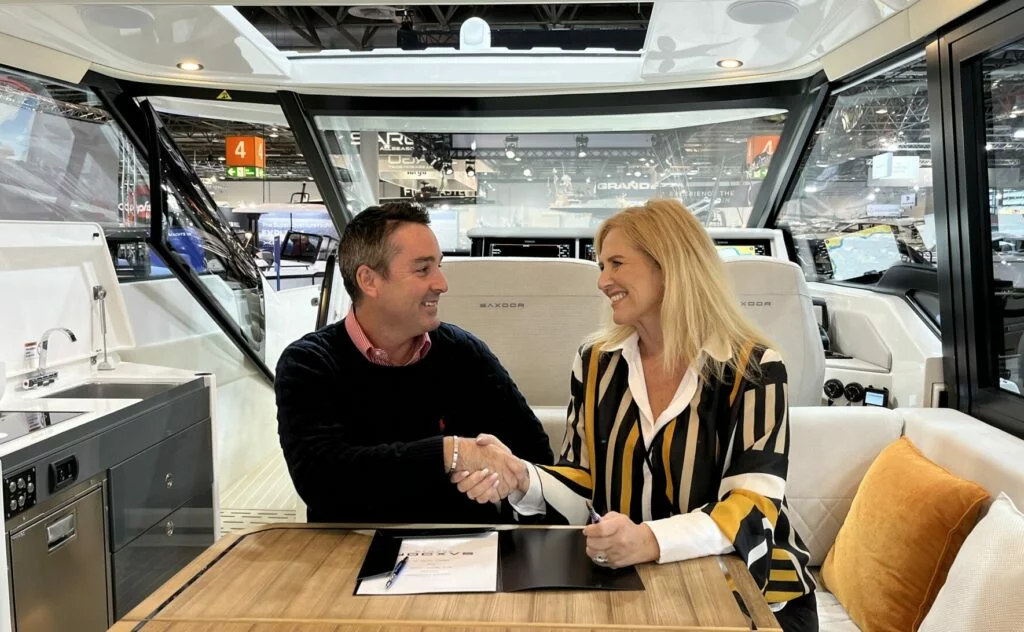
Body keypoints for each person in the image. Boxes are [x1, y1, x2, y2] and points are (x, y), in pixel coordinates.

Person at [453, 199, 817, 631]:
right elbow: (582, 480)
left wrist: (648, 540)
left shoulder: (754, 368)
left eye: (616, 263)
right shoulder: (595, 361)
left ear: (670, 265)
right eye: (601, 266)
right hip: (635, 586)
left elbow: (753, 507)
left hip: (755, 595)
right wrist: (523, 478)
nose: (602, 281)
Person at [275, 201, 553, 524]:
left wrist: (505, 480)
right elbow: (323, 481)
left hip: (463, 546)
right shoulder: (309, 364)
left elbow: (536, 457)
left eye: (439, 266)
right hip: (353, 549)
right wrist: (451, 453)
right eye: (423, 270)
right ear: (368, 280)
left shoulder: (464, 354)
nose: (442, 284)